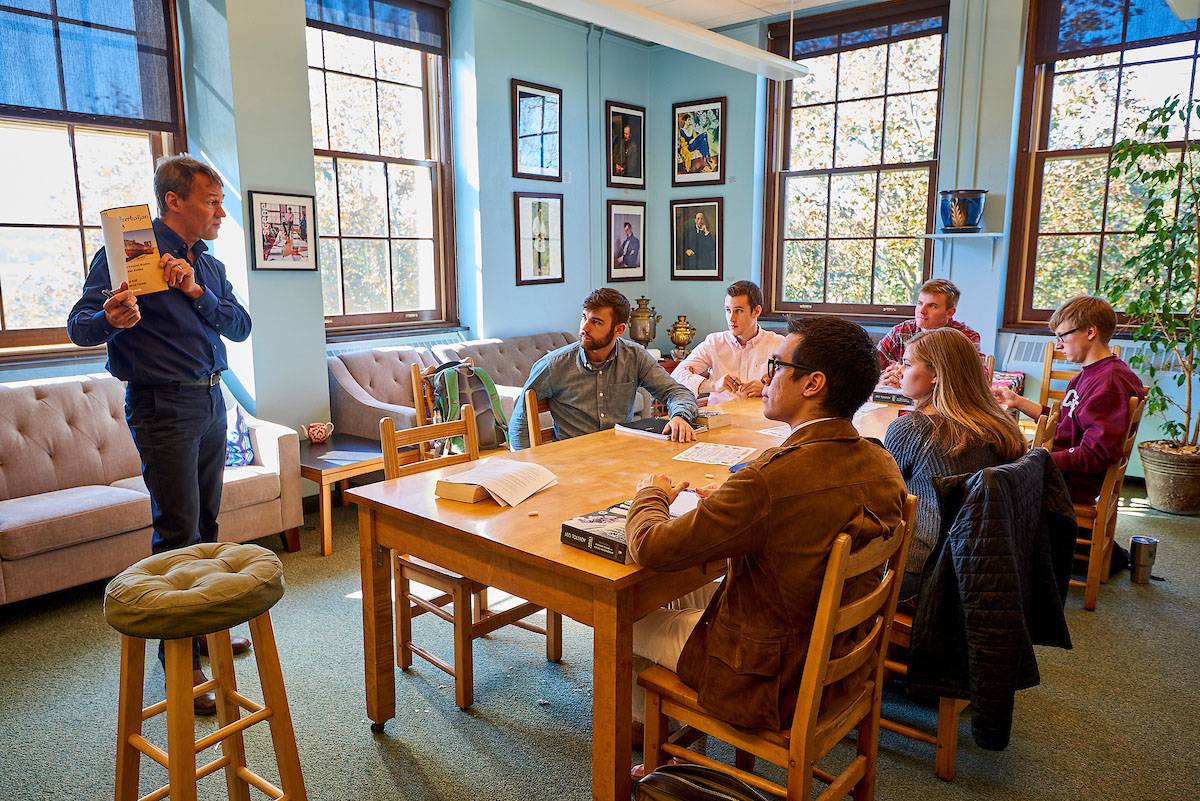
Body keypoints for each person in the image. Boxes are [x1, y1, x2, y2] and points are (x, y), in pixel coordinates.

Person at [625, 315, 908, 736]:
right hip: (840, 659)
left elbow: (651, 547)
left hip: (768, 677)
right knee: (686, 593)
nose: (764, 376)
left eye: (775, 367)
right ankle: (661, 734)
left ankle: (641, 740)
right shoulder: (880, 461)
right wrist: (734, 499)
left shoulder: (771, 481)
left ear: (813, 384)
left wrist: (649, 494)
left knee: (625, 615)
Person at [66, 155, 252, 716]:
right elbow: (79, 326)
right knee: (176, 530)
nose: (220, 210)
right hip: (160, 403)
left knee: (209, 524)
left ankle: (203, 630)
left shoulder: (209, 266)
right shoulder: (124, 254)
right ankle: (177, 654)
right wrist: (110, 320)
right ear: (174, 200)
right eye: (211, 200)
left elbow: (240, 327)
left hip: (210, 397)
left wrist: (198, 292)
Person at [884, 327, 1027, 603]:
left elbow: (884, 500)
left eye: (907, 363)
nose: (900, 371)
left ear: (936, 374)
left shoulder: (910, 430)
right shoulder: (1001, 425)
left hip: (923, 572)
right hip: (979, 568)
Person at [992, 295, 1145, 505]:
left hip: (1070, 483)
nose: (1059, 346)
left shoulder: (1109, 384)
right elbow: (1064, 421)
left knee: (988, 477)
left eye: (1062, 337)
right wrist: (1017, 401)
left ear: (1090, 332)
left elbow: (1095, 454)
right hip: (1062, 472)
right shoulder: (1088, 376)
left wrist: (1037, 459)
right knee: (994, 452)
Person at [508, 288, 698, 449]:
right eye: (584, 318)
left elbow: (676, 392)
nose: (585, 328)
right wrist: (530, 468)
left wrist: (680, 417)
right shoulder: (554, 364)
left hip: (622, 456)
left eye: (596, 322)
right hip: (572, 462)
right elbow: (519, 420)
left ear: (619, 329)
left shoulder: (634, 356)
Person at [671, 280, 783, 405]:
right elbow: (677, 375)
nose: (731, 318)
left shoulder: (778, 345)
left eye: (739, 311)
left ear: (756, 311)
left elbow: (797, 387)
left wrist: (767, 389)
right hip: (719, 420)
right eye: (728, 310)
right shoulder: (714, 343)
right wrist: (714, 385)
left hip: (761, 421)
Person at [877, 278, 981, 386]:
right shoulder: (901, 332)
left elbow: (977, 380)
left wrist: (913, 381)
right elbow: (870, 368)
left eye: (932, 306)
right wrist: (884, 377)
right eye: (920, 303)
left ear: (950, 312)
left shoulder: (965, 337)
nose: (922, 311)